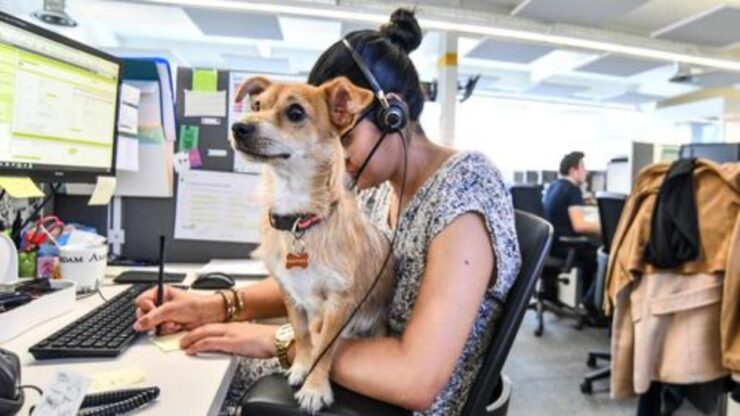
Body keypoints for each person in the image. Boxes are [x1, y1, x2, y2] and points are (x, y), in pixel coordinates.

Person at [133, 9, 521, 416]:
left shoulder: (463, 188)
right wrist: (216, 304)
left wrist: (281, 341)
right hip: (352, 369)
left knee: (194, 394)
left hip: (394, 402)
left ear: (393, 116)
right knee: (191, 364)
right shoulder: (372, 188)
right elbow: (312, 277)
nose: (334, 153)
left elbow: (416, 379)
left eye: (345, 136)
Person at [543, 151, 601, 308]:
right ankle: (589, 305)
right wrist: (604, 228)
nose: (586, 171)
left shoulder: (554, 186)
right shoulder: (572, 190)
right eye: (583, 167)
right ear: (573, 170)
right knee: (599, 257)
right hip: (565, 247)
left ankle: (552, 294)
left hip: (550, 246)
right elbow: (579, 225)